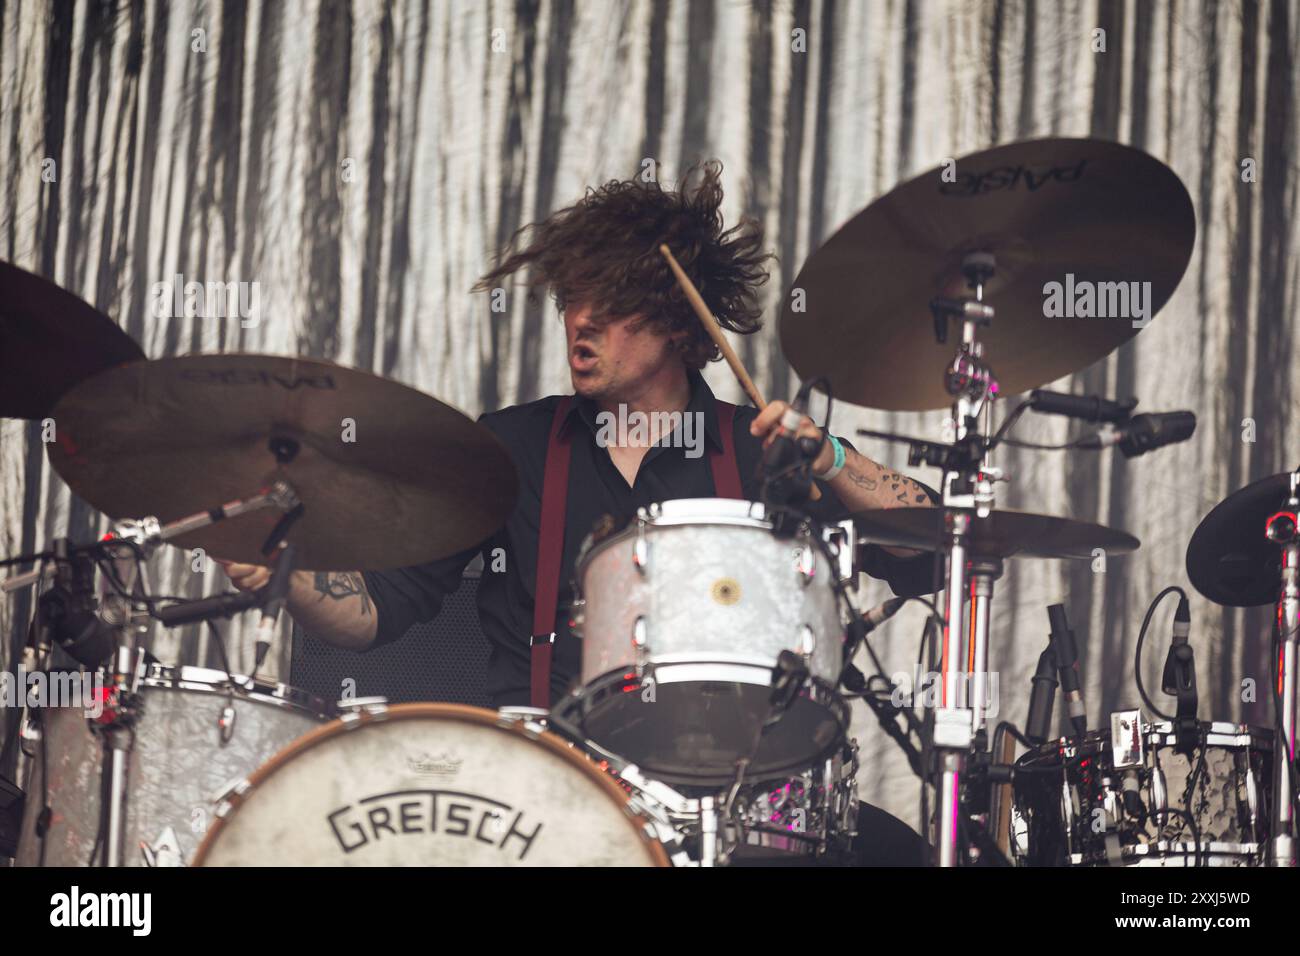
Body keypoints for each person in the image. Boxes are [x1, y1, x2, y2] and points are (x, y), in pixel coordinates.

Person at [220, 162, 937, 864]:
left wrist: (833, 462)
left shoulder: (761, 455)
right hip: (542, 799)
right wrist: (284, 571)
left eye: (613, 303)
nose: (581, 320)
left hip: (729, 803)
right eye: (572, 297)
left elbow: (929, 550)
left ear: (681, 328)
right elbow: (378, 610)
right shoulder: (509, 447)